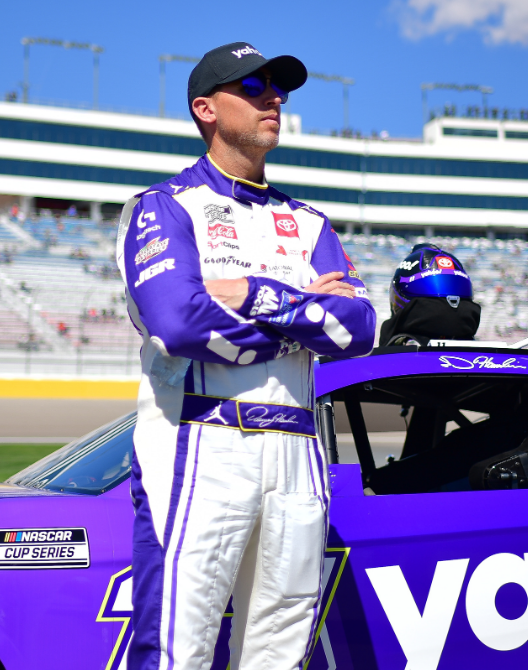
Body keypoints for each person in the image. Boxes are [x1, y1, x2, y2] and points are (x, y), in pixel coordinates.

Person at [117, 42, 376, 670]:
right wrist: (301, 315)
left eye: (277, 88)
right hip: (201, 439)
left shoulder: (309, 222)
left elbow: (360, 328)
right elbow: (178, 324)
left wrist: (253, 295)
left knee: (283, 649)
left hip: (297, 452)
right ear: (206, 109)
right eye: (254, 86)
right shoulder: (165, 207)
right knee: (178, 648)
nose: (274, 98)